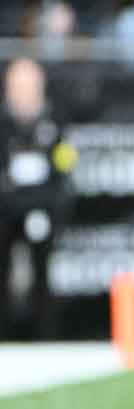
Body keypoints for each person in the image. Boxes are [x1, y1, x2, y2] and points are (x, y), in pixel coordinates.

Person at [0, 58, 74, 339]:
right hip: (6, 210)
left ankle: (45, 337)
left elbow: (64, 168)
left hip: (43, 208)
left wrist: (47, 205)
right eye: (18, 85)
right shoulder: (3, 123)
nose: (23, 91)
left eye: (29, 85)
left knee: (43, 276)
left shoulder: (54, 121)